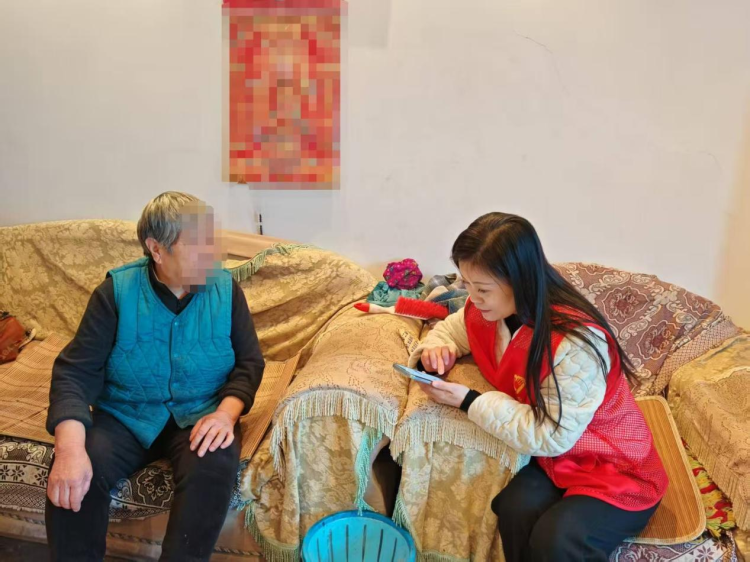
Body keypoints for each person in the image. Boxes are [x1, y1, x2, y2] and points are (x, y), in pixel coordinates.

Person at [409, 212, 668, 562]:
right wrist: (436, 350)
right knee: (513, 508)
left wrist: (470, 401)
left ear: (521, 281)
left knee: (557, 540)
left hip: (614, 464)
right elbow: (453, 330)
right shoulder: (486, 310)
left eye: (482, 289)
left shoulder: (575, 343)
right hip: (555, 461)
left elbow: (551, 435)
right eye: (466, 284)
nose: (472, 297)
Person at [45, 192, 265, 561]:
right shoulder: (115, 293)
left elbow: (250, 363)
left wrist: (225, 415)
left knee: (213, 467)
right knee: (76, 473)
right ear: (157, 249)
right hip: (125, 415)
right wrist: (68, 449)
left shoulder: (226, 291)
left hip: (201, 412)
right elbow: (75, 371)